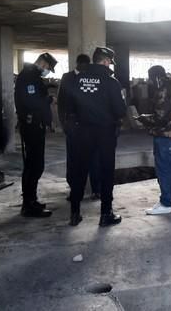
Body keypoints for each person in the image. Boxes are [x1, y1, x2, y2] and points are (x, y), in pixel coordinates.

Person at [60, 46, 126, 227]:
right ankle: (106, 214)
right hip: (105, 133)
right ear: (105, 61)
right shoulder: (111, 82)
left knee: (78, 171)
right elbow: (120, 110)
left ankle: (74, 213)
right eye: (109, 62)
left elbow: (67, 106)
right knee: (106, 172)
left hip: (81, 133)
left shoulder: (76, 79)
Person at [14, 52, 57, 218]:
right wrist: (48, 100)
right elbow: (32, 101)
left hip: (35, 125)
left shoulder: (32, 76)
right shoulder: (28, 77)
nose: (46, 71)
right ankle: (28, 205)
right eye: (47, 68)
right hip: (31, 126)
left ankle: (32, 200)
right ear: (42, 63)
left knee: (36, 165)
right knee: (34, 166)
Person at [137, 65, 171, 215]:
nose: (150, 82)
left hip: (164, 136)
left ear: (156, 77)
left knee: (163, 169)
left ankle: (165, 203)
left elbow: (160, 117)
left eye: (151, 79)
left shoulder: (163, 90)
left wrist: (144, 119)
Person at [58, 53, 101, 200]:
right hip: (73, 127)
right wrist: (65, 125)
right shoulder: (67, 78)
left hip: (91, 127)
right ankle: (75, 190)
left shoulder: (91, 79)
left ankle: (96, 189)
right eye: (82, 66)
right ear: (77, 64)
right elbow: (61, 103)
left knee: (94, 159)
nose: (84, 69)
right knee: (74, 160)